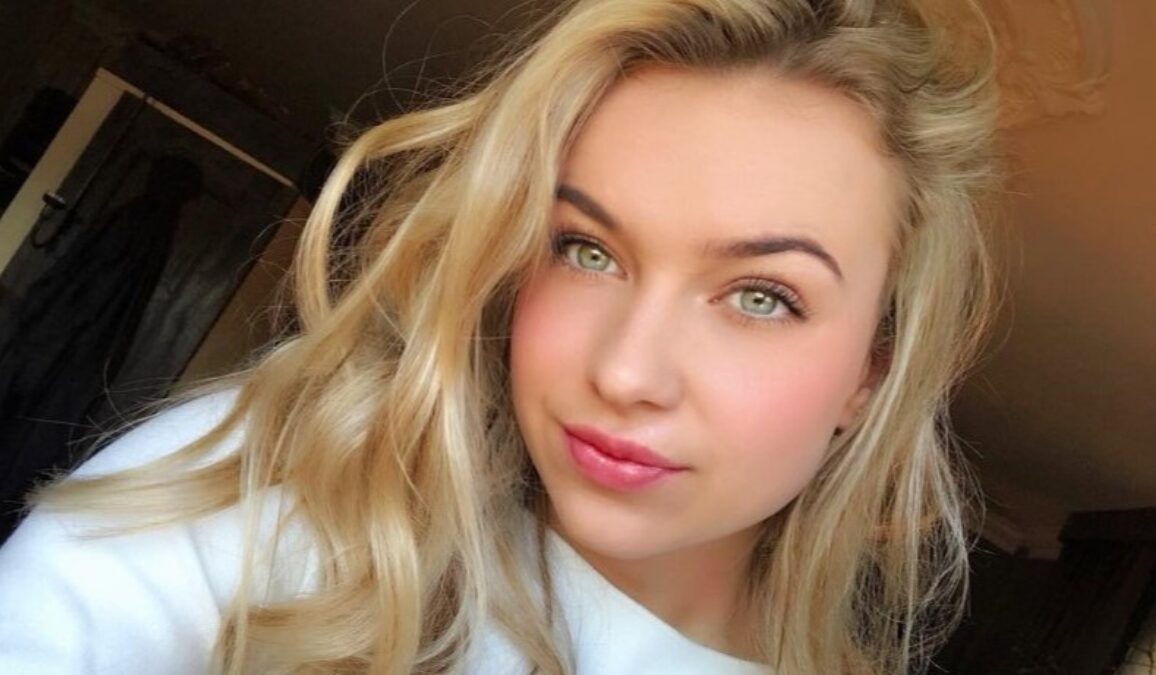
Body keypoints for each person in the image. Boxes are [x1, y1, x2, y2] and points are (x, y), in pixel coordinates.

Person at [0, 0, 1001, 673]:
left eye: (761, 297)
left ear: (871, 372)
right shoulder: (308, 485)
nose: (625, 371)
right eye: (587, 250)